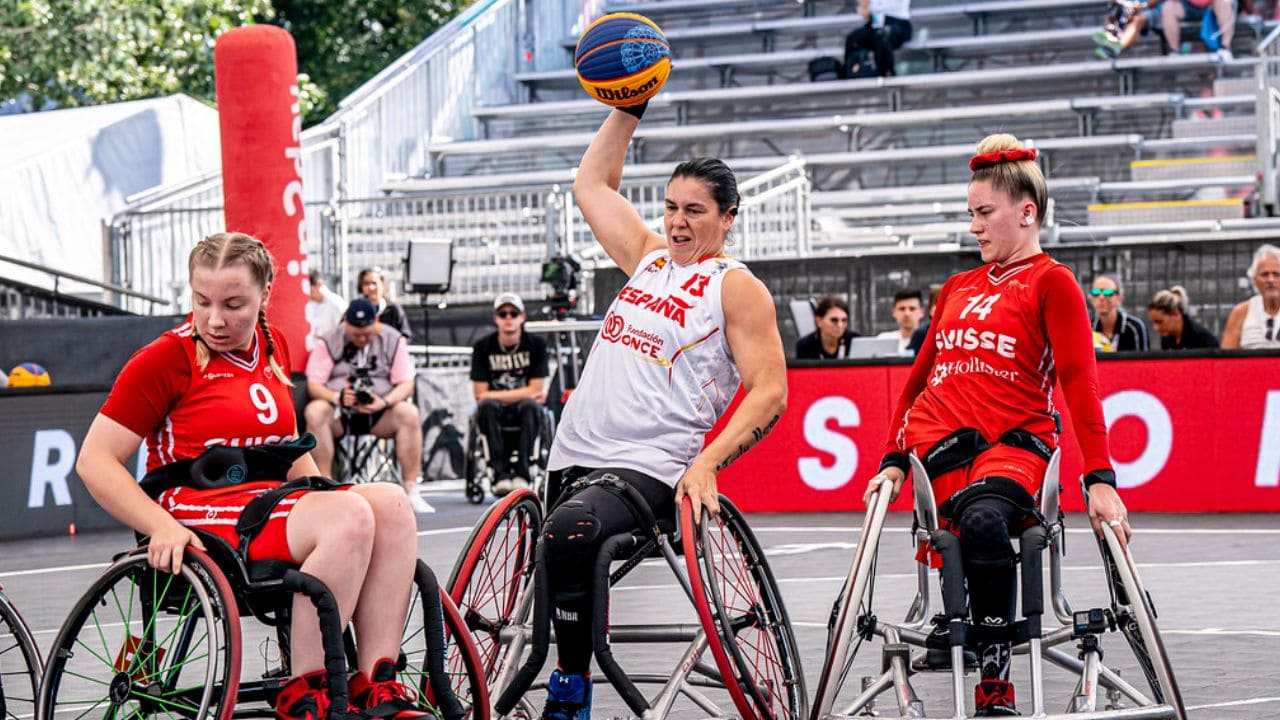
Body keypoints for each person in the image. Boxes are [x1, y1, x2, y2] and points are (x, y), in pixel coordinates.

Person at [74, 233, 429, 720]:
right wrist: (159, 526)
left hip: (264, 502)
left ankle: (378, 684)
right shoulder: (166, 358)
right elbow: (94, 461)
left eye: (233, 304)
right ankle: (306, 691)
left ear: (264, 296)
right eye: (202, 302)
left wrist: (328, 492)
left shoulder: (272, 345)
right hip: (195, 506)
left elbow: (288, 452)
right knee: (348, 516)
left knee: (388, 502)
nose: (215, 319)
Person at [861, 135, 1130, 717]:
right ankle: (966, 627)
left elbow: (1081, 383)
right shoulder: (956, 287)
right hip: (939, 446)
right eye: (972, 215)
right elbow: (915, 382)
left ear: (1026, 212)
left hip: (1013, 444)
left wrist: (1101, 478)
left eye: (985, 214)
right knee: (954, 534)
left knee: (984, 521)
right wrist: (889, 460)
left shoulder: (1052, 282)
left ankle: (994, 673)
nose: (975, 226)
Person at [538, 102, 788, 720]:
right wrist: (629, 107)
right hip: (574, 454)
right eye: (672, 207)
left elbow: (770, 390)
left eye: (695, 211)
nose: (678, 223)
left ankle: (569, 690)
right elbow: (591, 186)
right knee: (561, 543)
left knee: (568, 534)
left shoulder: (735, 286)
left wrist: (706, 465)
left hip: (650, 466)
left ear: (728, 218)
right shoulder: (647, 257)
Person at [304, 297, 433, 514]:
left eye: (367, 334)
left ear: (377, 322)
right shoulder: (328, 341)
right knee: (315, 411)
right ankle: (324, 486)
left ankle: (412, 489)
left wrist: (384, 402)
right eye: (356, 334)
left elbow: (406, 382)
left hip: (380, 410)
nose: (362, 339)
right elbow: (314, 384)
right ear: (346, 323)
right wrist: (337, 397)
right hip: (340, 412)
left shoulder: (393, 339)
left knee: (409, 413)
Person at [469, 292, 550, 495]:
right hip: (495, 411)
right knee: (485, 407)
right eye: (503, 313)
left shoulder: (536, 345)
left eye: (513, 313)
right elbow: (480, 396)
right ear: (496, 318)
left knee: (531, 406)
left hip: (524, 409)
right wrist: (522, 393)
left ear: (522, 317)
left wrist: (493, 395)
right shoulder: (482, 347)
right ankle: (500, 475)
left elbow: (536, 390)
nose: (508, 318)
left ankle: (523, 473)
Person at [1221, 243, 1280, 349]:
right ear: (1254, 279)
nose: (1271, 280)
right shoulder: (1240, 313)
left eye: (1276, 274)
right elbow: (1226, 358)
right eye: (1264, 274)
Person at [844, 0, 912, 77]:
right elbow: (867, 13)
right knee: (853, 38)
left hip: (898, 23)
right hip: (876, 23)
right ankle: (851, 72)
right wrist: (864, 6)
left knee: (881, 35)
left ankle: (887, 73)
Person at [1090, 274, 1149, 352]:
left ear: (1119, 298)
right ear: (1091, 298)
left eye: (1108, 292)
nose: (1101, 297)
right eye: (1095, 292)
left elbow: (1143, 362)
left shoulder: (1134, 327)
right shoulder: (1088, 328)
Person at [1148, 286, 1219, 350]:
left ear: (1175, 314)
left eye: (1159, 322)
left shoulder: (1201, 340)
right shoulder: (1167, 337)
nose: (1156, 328)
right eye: (1154, 322)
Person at [795, 295, 861, 359]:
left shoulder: (855, 341)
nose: (840, 325)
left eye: (844, 320)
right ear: (819, 321)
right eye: (834, 320)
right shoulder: (806, 346)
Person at [357, 267, 414, 341]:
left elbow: (406, 335)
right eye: (366, 284)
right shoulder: (355, 309)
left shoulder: (393, 309)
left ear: (382, 285)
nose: (371, 287)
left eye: (374, 283)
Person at [305, 269, 347, 349]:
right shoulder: (310, 305)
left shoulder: (337, 304)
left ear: (319, 284)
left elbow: (345, 333)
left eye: (308, 289)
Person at [876, 287, 924, 355]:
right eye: (902, 309)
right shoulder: (883, 340)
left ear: (921, 312)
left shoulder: (929, 342)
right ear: (893, 312)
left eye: (912, 309)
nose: (907, 313)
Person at [907, 284, 942, 355]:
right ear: (930, 309)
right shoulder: (921, 334)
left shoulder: (960, 334)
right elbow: (909, 356)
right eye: (936, 304)